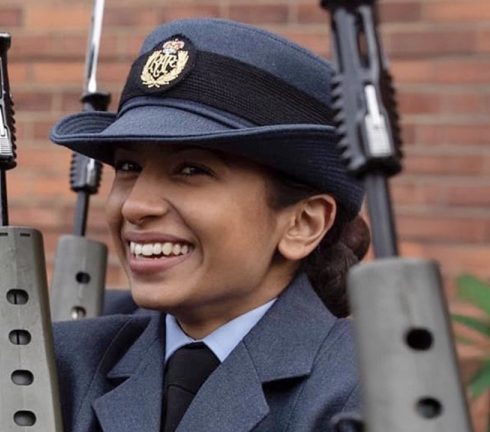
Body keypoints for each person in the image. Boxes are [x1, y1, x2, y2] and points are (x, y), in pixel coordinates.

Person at [50, 18, 370, 432]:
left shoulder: (367, 395)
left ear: (303, 224)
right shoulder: (61, 365)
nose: (135, 206)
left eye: (191, 170)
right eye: (129, 167)